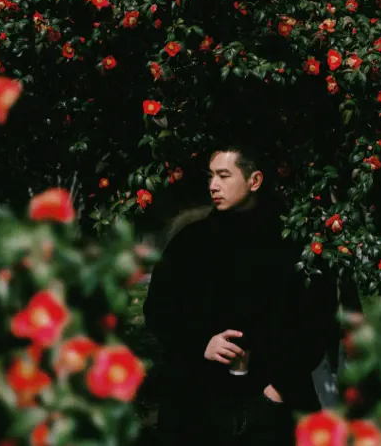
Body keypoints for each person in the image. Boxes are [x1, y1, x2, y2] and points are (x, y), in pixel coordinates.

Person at [143, 146, 337, 446]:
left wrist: (280, 388)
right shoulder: (189, 243)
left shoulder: (291, 243)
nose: (213, 185)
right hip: (199, 400)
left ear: (254, 180)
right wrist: (200, 343)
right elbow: (158, 311)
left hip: (275, 405)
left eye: (224, 175)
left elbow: (318, 318)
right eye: (211, 177)